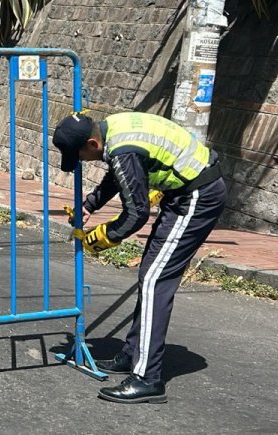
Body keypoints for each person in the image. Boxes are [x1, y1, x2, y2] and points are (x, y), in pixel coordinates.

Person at [53, 110, 225, 404]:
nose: (81, 162)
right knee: (150, 274)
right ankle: (132, 355)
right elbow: (117, 178)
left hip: (198, 197)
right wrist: (90, 205)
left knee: (156, 281)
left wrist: (105, 236)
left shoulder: (122, 150)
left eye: (79, 156)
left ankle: (148, 379)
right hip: (182, 194)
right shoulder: (113, 128)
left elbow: (136, 213)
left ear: (92, 144)